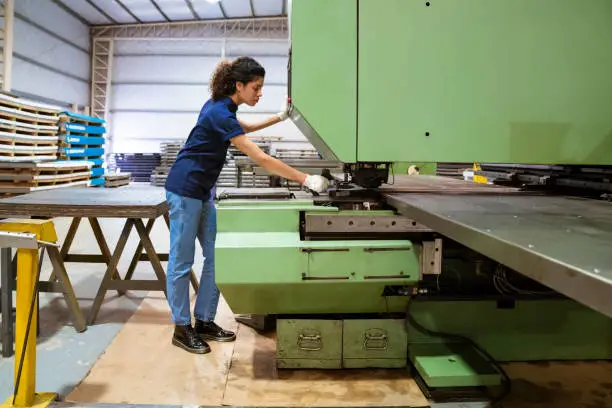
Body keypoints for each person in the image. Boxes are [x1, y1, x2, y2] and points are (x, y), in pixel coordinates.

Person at [164, 56, 329, 354]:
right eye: (256, 87)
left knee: (216, 258)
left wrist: (280, 117)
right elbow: (262, 159)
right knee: (181, 261)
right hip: (185, 189)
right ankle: (181, 327)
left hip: (203, 191)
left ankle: (203, 320)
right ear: (238, 85)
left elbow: (246, 127)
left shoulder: (225, 107)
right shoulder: (217, 112)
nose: (260, 92)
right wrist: (305, 179)